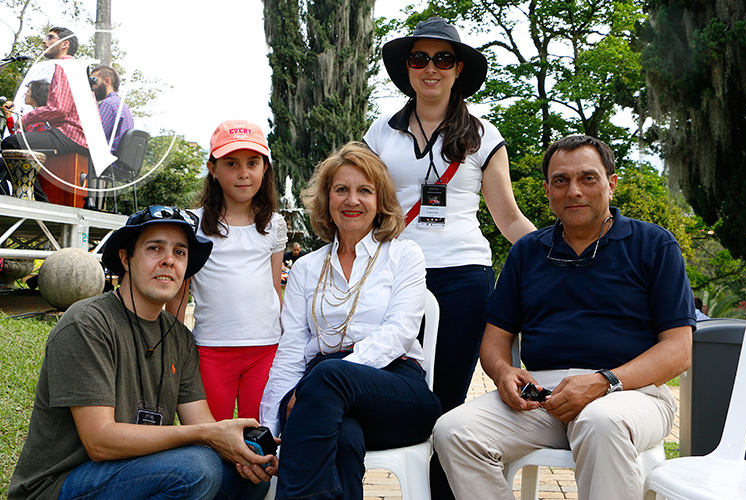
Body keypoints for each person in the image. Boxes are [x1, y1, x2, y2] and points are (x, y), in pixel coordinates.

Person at [433, 135, 696, 500]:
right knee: (454, 430)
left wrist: (604, 382)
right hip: (544, 397)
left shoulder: (654, 245)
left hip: (632, 393)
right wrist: (503, 372)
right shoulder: (528, 251)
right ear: (547, 190)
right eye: (561, 180)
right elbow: (495, 338)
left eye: (588, 178)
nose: (574, 191)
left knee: (600, 421)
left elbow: (679, 351)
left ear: (611, 183)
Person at [363, 16, 536, 498]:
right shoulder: (380, 132)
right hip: (395, 275)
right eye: (419, 58)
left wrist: (558, 256)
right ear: (408, 68)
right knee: (395, 388)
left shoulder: (483, 133)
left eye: (442, 59)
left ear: (458, 68)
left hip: (464, 277)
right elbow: (355, 203)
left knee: (449, 403)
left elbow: (508, 218)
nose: (430, 68)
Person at [8, 205, 277, 500]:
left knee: (248, 480)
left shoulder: (179, 338)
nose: (168, 261)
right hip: (61, 484)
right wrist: (206, 436)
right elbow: (99, 441)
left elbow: (200, 422)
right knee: (196, 467)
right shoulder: (87, 323)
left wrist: (241, 449)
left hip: (133, 471)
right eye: (154, 248)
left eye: (180, 252)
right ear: (126, 258)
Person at [259, 142, 442, 499]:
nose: (352, 200)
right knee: (342, 437)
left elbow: (400, 333)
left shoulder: (404, 255)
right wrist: (270, 429)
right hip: (322, 399)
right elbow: (291, 351)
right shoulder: (306, 269)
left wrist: (320, 383)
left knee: (327, 377)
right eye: (341, 189)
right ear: (327, 199)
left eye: (364, 190)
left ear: (380, 200)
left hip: (396, 390)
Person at [167, 120, 287, 421]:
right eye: (231, 163)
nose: (243, 173)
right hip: (211, 350)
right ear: (213, 168)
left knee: (260, 432)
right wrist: (172, 345)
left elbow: (275, 287)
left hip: (265, 348)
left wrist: (288, 340)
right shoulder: (192, 224)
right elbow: (179, 295)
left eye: (252, 163)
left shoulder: (274, 224)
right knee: (211, 435)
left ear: (264, 168)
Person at [1, 27, 88, 202]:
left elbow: (59, 108)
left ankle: (40, 201)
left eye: (50, 38)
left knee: (11, 144)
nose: (44, 41)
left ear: (65, 44)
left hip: (71, 133)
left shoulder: (66, 66)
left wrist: (25, 119)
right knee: (15, 149)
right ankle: (35, 199)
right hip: (73, 132)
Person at [91, 65, 134, 154]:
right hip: (119, 165)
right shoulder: (122, 105)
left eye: (95, 81)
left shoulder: (108, 104)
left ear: (107, 81)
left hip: (106, 163)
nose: (92, 86)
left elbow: (94, 139)